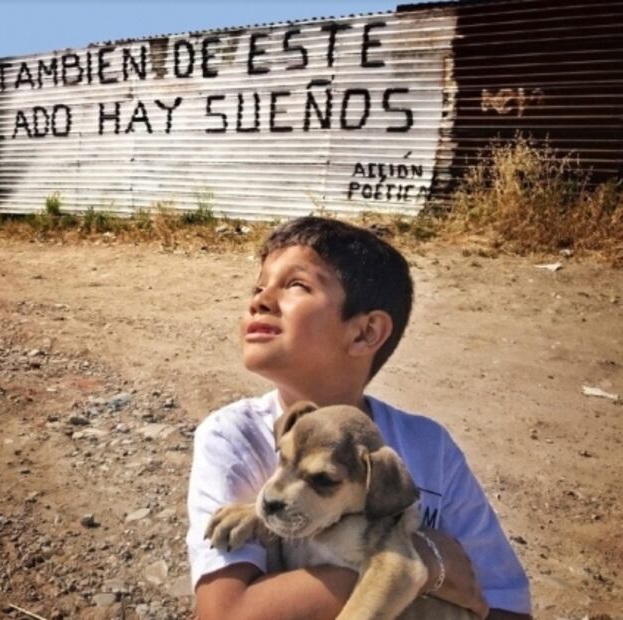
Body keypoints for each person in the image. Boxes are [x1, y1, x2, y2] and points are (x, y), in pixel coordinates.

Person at [186, 216, 532, 620]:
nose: (258, 300)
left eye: (296, 285)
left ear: (366, 333)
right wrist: (423, 561)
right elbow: (227, 614)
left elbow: (505, 604)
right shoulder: (234, 437)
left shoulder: (430, 447)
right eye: (258, 286)